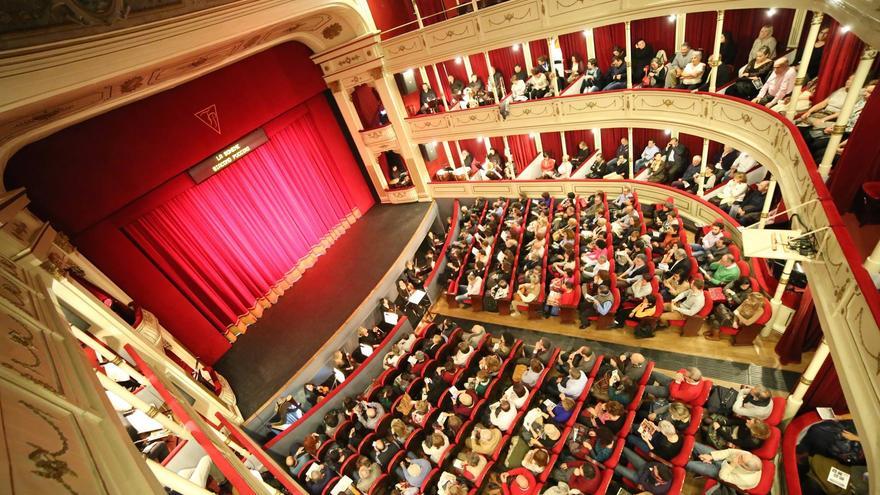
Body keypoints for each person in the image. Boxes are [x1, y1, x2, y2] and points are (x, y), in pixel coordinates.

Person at [686, 445, 764, 491]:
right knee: (693, 445)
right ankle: (699, 459)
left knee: (689, 464)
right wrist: (712, 456)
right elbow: (729, 452)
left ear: (745, 467)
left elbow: (723, 476)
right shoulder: (747, 455)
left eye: (740, 458)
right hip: (727, 461)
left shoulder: (746, 480)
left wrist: (732, 465)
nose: (739, 455)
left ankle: (698, 467)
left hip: (724, 473)